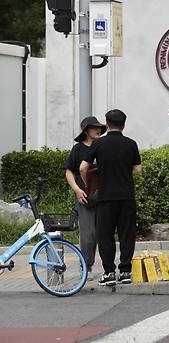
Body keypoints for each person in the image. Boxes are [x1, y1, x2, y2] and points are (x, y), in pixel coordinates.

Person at [80, 109, 142, 286]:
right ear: (123, 125)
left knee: (105, 236)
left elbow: (83, 168)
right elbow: (138, 170)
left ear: (107, 125)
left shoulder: (98, 144)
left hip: (105, 197)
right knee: (126, 235)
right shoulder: (131, 144)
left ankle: (109, 273)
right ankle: (125, 272)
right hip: (126, 196)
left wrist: (90, 185)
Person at [64, 116, 106, 280]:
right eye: (94, 127)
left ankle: (107, 268)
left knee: (104, 234)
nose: (98, 130)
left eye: (99, 127)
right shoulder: (78, 149)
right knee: (88, 235)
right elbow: (69, 171)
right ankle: (86, 267)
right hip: (84, 196)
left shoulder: (103, 146)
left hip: (104, 196)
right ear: (86, 131)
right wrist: (76, 190)